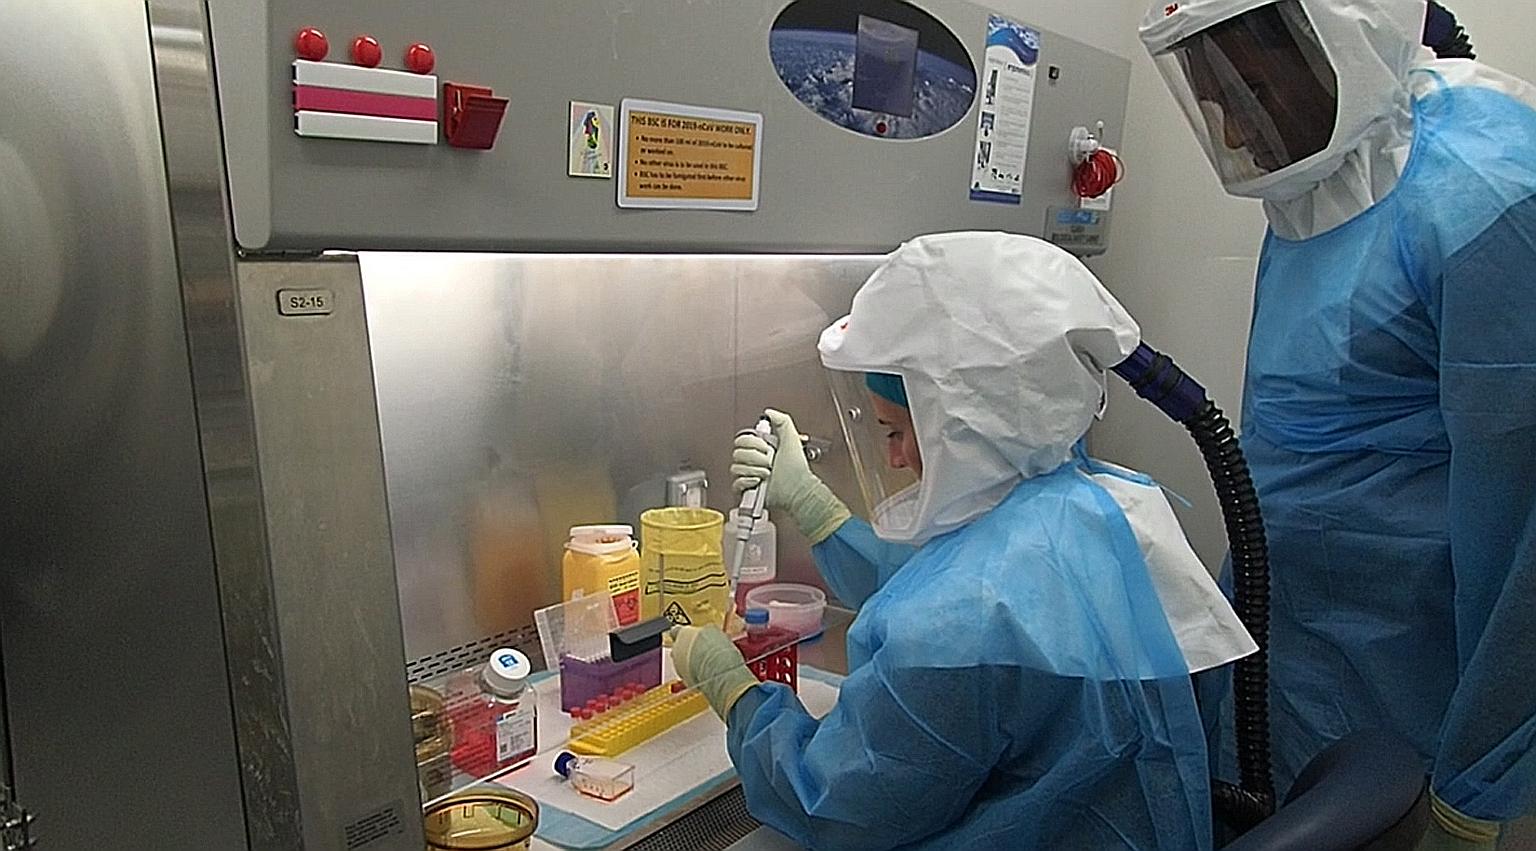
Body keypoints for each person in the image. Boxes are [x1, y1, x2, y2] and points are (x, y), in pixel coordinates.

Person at [672, 232, 1256, 849]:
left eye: (897, 430)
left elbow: (836, 803)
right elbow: (939, 581)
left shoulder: (956, 624)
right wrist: (818, 511)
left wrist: (739, 697)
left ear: (965, 423)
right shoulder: (1105, 510)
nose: (894, 459)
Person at [1140, 1, 1536, 846]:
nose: (1232, 129)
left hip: (1419, 683)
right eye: (1208, 97)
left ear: (1343, 39)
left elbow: (1526, 532)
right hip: (1290, 637)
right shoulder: (1326, 180)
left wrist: (1479, 781)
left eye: (1246, 87)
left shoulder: (1487, 197)